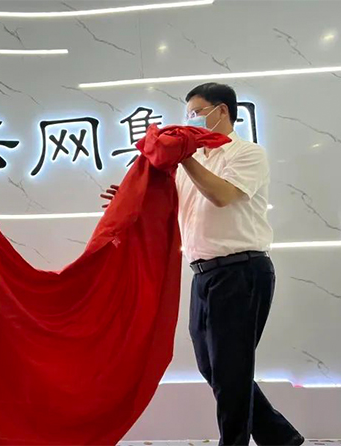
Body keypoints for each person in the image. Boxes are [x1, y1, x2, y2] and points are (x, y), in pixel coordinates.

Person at [102, 83, 304, 445]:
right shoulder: (193, 164)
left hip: (241, 270)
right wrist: (128, 200)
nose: (190, 120)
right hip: (203, 274)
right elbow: (170, 208)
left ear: (222, 110)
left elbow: (222, 195)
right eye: (188, 114)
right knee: (213, 366)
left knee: (230, 369)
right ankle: (280, 437)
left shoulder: (247, 153)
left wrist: (184, 157)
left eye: (196, 112)